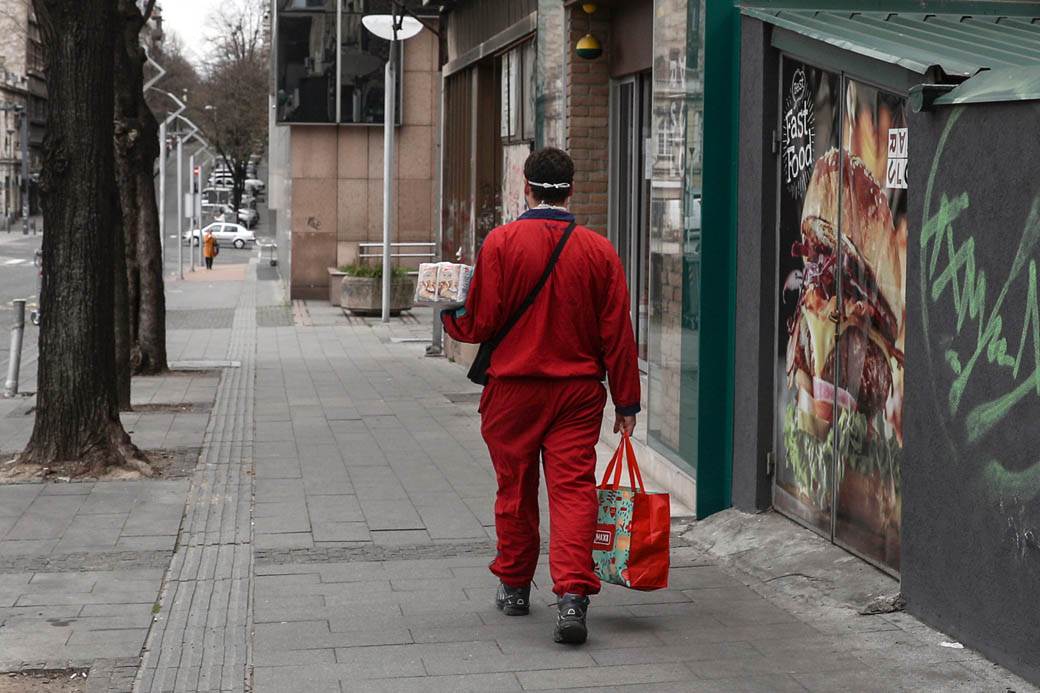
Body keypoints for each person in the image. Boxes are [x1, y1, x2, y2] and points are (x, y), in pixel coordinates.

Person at [442, 147, 640, 645]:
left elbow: (480, 321)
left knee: (515, 489)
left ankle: (514, 586)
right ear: (570, 190)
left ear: (526, 188)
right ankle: (572, 597)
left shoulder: (502, 243)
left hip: (512, 391)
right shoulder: (599, 250)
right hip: (577, 393)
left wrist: (449, 312)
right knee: (574, 491)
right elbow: (617, 331)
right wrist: (627, 402)